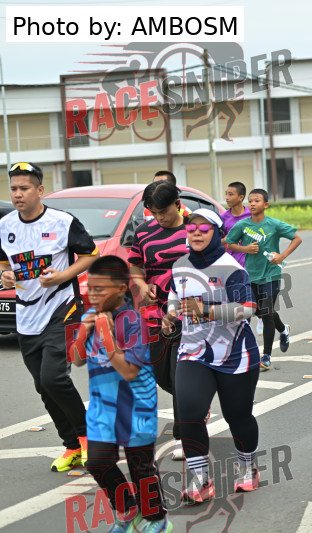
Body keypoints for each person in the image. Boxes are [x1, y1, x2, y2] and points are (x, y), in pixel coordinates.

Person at [0, 162, 98, 472]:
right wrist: (5, 274)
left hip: (62, 307)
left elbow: (90, 254)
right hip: (26, 314)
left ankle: (89, 439)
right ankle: (72, 445)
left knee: (53, 377)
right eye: (13, 189)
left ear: (39, 190)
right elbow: (3, 261)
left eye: (24, 188)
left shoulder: (62, 222)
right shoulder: (5, 225)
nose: (17, 194)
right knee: (43, 386)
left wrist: (62, 276)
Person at [162, 209, 262, 503]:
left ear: (218, 234)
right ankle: (201, 479)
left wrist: (206, 310)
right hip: (193, 352)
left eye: (204, 228)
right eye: (191, 227)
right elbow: (174, 296)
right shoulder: (179, 266)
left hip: (235, 355)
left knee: (238, 416)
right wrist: (170, 315)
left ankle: (248, 466)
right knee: (189, 413)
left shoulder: (231, 268)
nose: (196, 232)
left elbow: (248, 308)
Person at [72, 255, 172, 533]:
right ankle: (127, 510)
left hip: (136, 405)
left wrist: (106, 334)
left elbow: (128, 371)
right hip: (103, 407)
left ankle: (156, 518)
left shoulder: (133, 322)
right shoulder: (90, 317)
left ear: (120, 289)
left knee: (140, 468)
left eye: (100, 289)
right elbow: (76, 359)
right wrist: (83, 332)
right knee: (97, 462)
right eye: (90, 289)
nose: (92, 295)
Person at [129, 180, 189, 460]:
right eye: (154, 212)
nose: (159, 218)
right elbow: (135, 266)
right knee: (160, 374)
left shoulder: (196, 229)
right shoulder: (144, 232)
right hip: (155, 314)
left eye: (163, 211)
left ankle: (184, 435)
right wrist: (142, 286)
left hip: (189, 315)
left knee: (180, 377)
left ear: (177, 203)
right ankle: (195, 402)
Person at [225, 189, 302, 371]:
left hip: (271, 275)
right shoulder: (243, 225)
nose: (252, 204)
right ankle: (283, 329)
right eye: (250, 201)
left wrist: (281, 256)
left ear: (266, 204)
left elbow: (297, 238)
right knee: (255, 312)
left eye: (257, 200)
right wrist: (245, 249)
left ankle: (266, 356)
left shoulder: (274, 224)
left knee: (266, 313)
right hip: (250, 276)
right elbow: (229, 243)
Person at [220, 181, 251, 268]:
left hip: (252, 264)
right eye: (226, 194)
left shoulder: (252, 215)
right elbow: (215, 242)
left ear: (241, 197)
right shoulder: (223, 218)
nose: (227, 198)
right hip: (232, 265)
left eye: (230, 194)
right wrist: (226, 240)